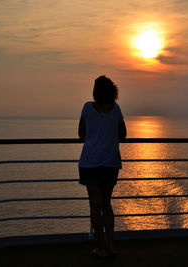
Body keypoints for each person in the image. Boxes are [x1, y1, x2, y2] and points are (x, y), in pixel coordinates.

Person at [78, 75, 127, 258]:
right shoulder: (116, 109)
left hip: (90, 162)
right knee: (106, 205)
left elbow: (81, 134)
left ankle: (100, 248)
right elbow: (123, 134)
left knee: (95, 207)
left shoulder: (87, 108)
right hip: (110, 162)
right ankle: (111, 245)